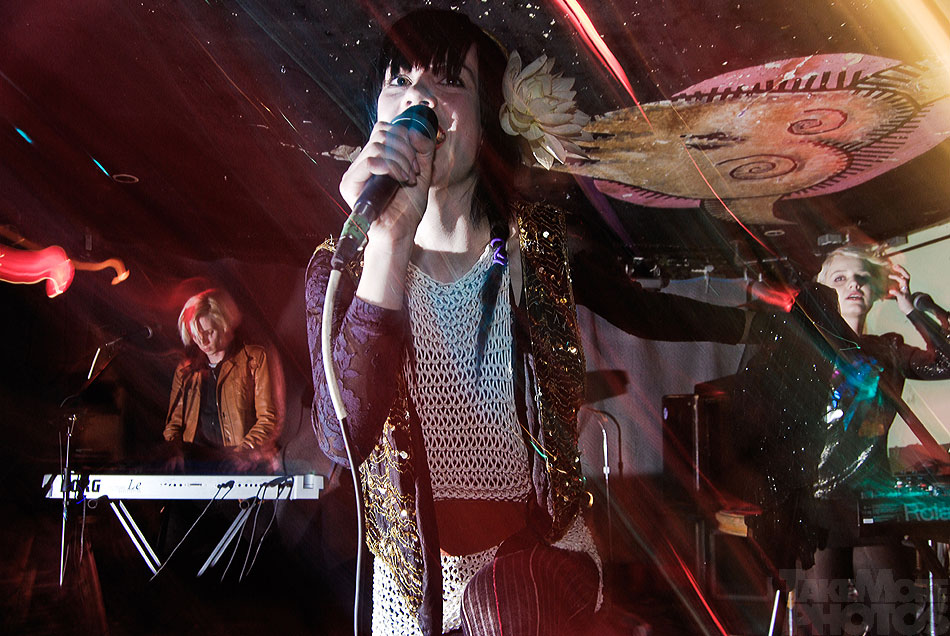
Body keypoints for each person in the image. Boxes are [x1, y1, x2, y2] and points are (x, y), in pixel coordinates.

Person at [305, 9, 753, 636]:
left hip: (538, 581)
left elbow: (647, 309)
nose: (418, 99)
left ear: (487, 115)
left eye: (447, 81)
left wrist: (768, 318)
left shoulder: (537, 249)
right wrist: (388, 241)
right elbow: (341, 437)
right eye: (399, 81)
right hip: (417, 599)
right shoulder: (345, 269)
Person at [737, 246, 950, 635]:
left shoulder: (888, 349)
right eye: (840, 278)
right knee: (825, 623)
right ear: (821, 289)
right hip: (816, 501)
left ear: (875, 292)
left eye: (862, 278)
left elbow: (946, 361)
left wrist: (912, 308)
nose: (853, 284)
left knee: (895, 621)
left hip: (871, 499)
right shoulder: (799, 349)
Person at [164, 288, 281, 473]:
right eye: (195, 335)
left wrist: (242, 454)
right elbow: (173, 425)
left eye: (209, 332)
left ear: (225, 325)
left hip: (242, 463)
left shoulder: (254, 359)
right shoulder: (186, 371)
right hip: (196, 464)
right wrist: (175, 452)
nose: (202, 341)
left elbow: (268, 419)